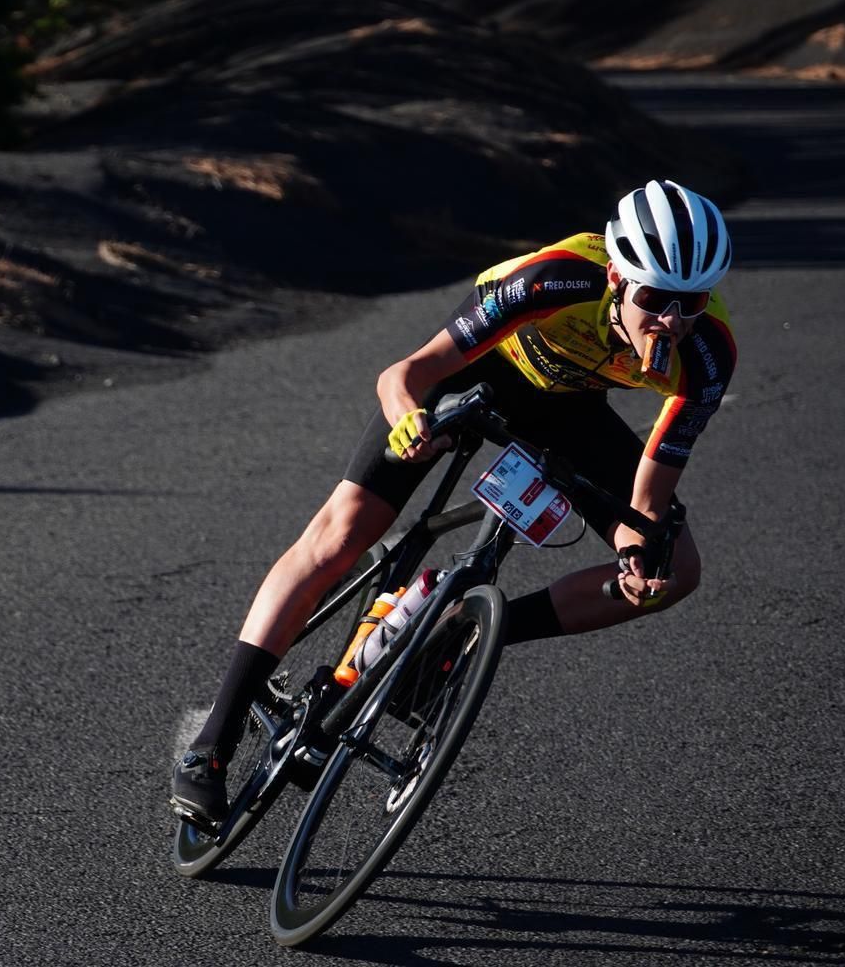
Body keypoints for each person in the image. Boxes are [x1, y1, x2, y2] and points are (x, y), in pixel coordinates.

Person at [170, 180, 737, 828]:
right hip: (479, 370)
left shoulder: (708, 352)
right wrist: (410, 422)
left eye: (690, 302)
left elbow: (652, 483)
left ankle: (463, 637)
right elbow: (405, 374)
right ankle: (211, 746)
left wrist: (639, 553)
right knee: (341, 532)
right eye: (656, 298)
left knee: (674, 573)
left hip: (569, 408)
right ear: (616, 275)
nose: (671, 319)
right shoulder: (555, 280)